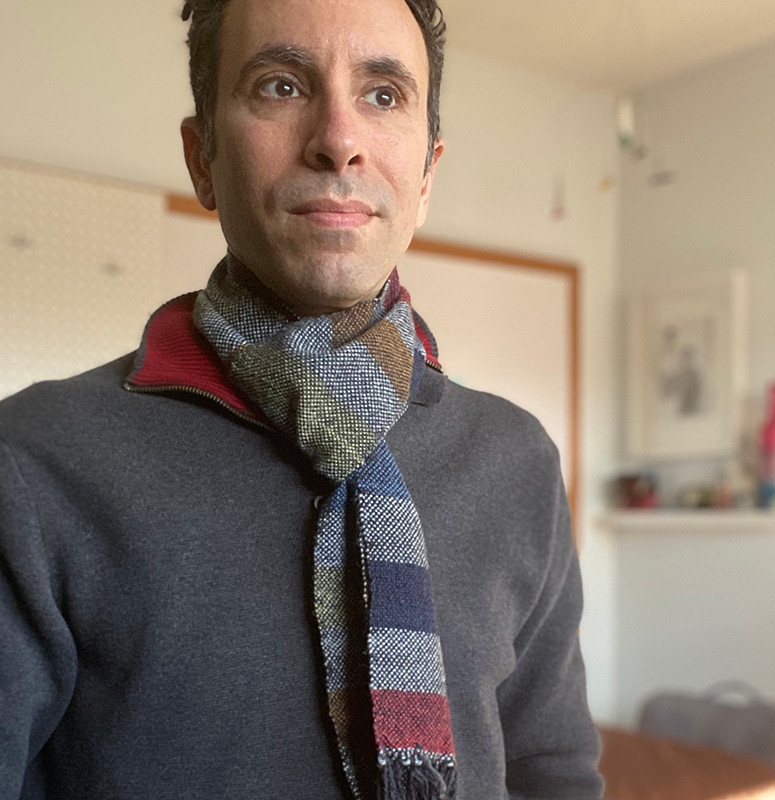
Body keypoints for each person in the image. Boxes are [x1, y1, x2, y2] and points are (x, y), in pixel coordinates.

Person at [0, 0, 603, 797]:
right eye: (281, 85)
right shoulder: (33, 463)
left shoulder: (515, 459)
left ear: (426, 175)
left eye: (383, 94)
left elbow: (551, 773)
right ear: (203, 158)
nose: (339, 140)